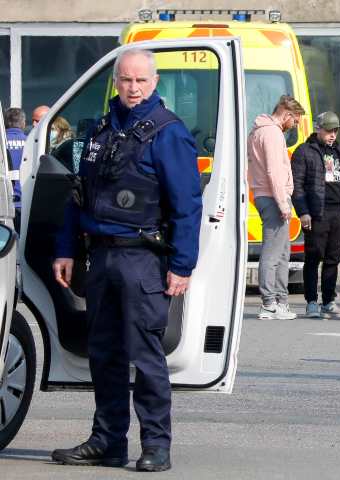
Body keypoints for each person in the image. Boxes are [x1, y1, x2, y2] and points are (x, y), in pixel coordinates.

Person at [50, 48, 203, 471]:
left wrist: (183, 265)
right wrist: (65, 248)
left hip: (143, 259)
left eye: (141, 81)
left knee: (146, 356)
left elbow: (187, 204)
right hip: (100, 258)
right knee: (104, 354)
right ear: (115, 82)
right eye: (125, 80)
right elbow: (79, 194)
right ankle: (108, 441)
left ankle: (156, 445)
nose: (133, 89)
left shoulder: (168, 132)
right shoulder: (102, 130)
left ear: (155, 84)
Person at [248, 95, 306, 320]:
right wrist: (283, 202)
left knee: (282, 252)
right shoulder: (271, 133)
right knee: (273, 253)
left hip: (265, 194)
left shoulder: (257, 130)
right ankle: (270, 303)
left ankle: (280, 301)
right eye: (296, 120)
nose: (296, 125)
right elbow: (274, 170)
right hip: (274, 196)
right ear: (287, 114)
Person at [291, 111, 340, 319]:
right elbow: (296, 185)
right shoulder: (304, 151)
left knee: (334, 257)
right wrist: (303, 212)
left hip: (339, 210)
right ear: (318, 129)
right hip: (316, 212)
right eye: (329, 130)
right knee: (314, 257)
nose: (333, 135)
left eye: (335, 131)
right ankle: (312, 301)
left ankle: (329, 300)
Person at [4, 107, 26, 231]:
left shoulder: (2, 143)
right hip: (24, 203)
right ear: (23, 123)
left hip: (3, 203)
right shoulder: (30, 142)